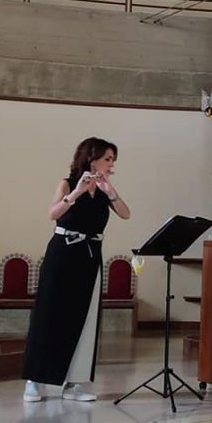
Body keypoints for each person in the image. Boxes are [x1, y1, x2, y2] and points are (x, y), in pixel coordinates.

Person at [22, 137, 130, 402]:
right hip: (62, 253)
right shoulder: (68, 183)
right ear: (91, 158)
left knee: (87, 317)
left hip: (90, 256)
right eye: (108, 159)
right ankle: (35, 380)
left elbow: (126, 214)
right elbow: (53, 214)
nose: (111, 164)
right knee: (50, 314)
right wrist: (77, 193)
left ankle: (76, 383)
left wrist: (110, 190)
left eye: (113, 160)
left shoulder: (105, 191)